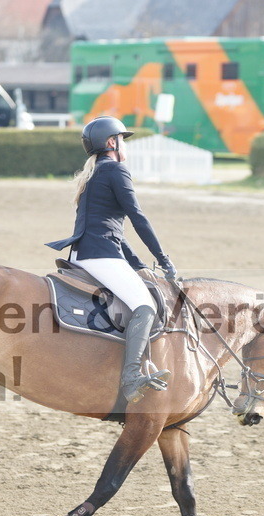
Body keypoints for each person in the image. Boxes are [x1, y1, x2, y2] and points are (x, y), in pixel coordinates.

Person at [45, 116, 177, 404]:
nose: (124, 145)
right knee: (145, 307)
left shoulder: (93, 174)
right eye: (122, 139)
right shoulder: (116, 170)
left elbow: (110, 228)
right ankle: (131, 378)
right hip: (99, 255)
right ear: (111, 142)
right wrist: (163, 259)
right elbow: (138, 218)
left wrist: (139, 263)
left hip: (84, 253)